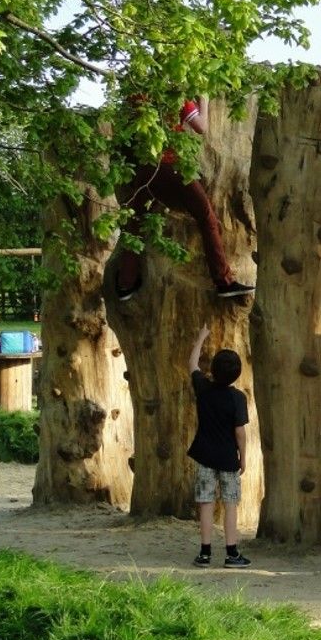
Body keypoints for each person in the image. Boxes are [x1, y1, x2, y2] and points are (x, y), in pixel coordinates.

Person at [116, 98, 254, 302]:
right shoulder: (176, 97)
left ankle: (125, 283)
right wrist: (204, 100)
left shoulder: (137, 96)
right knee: (207, 217)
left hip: (143, 168)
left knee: (135, 223)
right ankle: (224, 281)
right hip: (172, 166)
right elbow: (201, 127)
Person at [187, 323, 251, 568]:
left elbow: (192, 365)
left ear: (211, 370)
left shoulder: (203, 388)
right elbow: (240, 432)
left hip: (204, 455)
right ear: (237, 374)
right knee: (230, 503)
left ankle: (204, 553)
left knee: (206, 503)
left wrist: (201, 337)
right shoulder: (237, 398)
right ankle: (231, 553)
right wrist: (243, 457)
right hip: (227, 459)